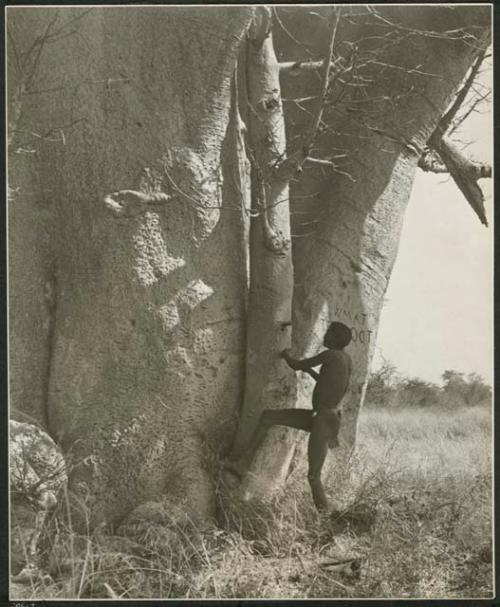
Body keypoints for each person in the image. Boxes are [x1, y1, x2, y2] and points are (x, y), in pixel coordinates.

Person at [226, 321, 352, 511]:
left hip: (323, 421)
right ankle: (243, 463)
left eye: (328, 334)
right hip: (324, 418)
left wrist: (284, 353)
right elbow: (332, 383)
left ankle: (325, 517)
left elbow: (296, 364)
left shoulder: (330, 354)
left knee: (313, 476)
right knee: (268, 417)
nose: (324, 337)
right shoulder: (344, 358)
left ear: (335, 338)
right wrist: (309, 371)